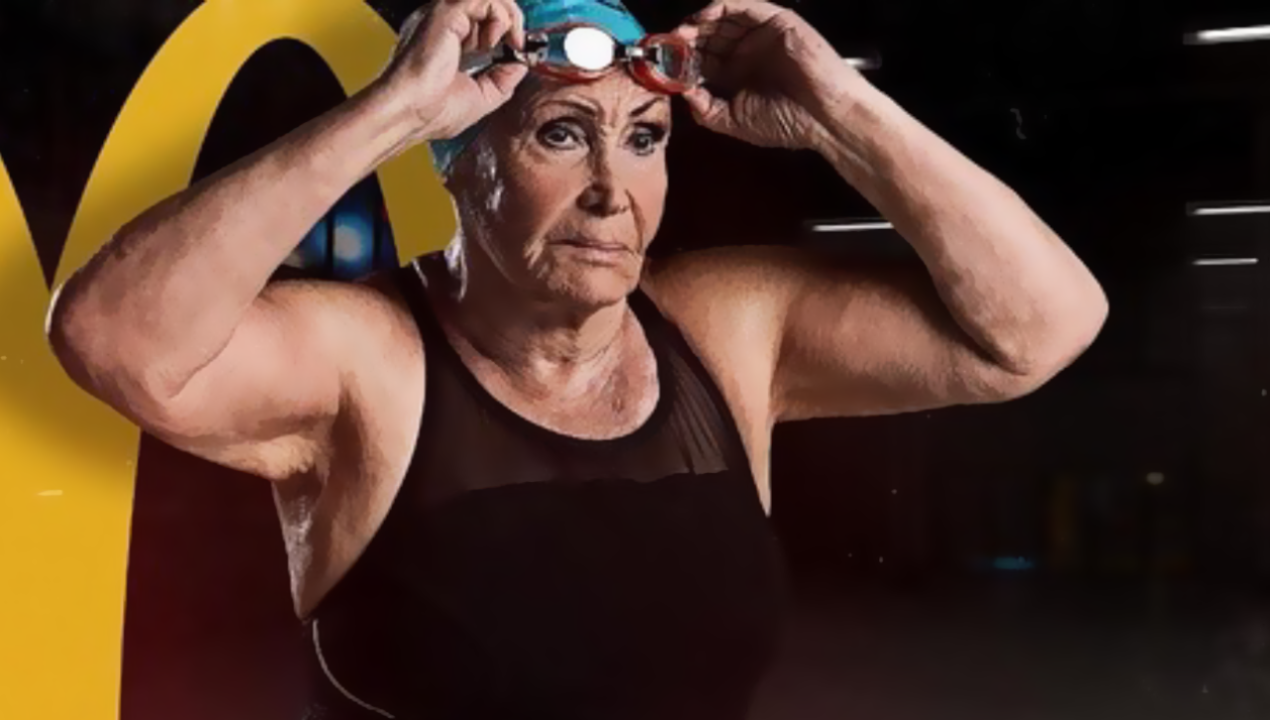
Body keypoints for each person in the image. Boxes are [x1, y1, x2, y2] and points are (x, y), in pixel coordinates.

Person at [45, 0, 1109, 717]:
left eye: (644, 138)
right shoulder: (367, 360)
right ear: (463, 163)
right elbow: (112, 339)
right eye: (560, 133)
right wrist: (391, 111)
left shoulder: (726, 328)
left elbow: (1040, 328)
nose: (613, 190)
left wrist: (841, 108)